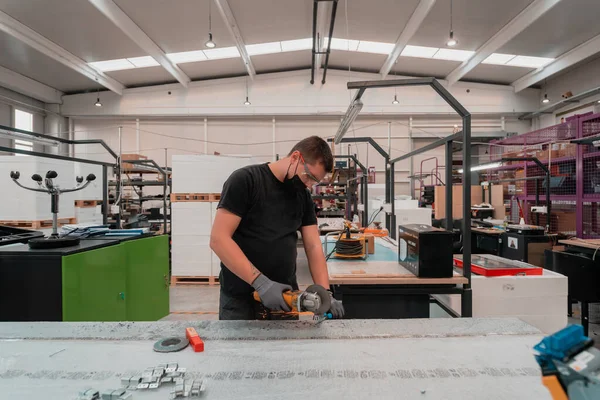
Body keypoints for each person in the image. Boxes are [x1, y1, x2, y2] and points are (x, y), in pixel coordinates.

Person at [210, 136, 345, 320]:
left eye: (315, 182)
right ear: (296, 157)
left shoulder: (302, 196)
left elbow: (313, 246)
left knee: (283, 350)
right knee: (238, 349)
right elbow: (219, 239)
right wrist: (261, 283)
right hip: (241, 299)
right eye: (309, 177)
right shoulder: (246, 181)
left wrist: (325, 292)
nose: (309, 185)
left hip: (286, 300)